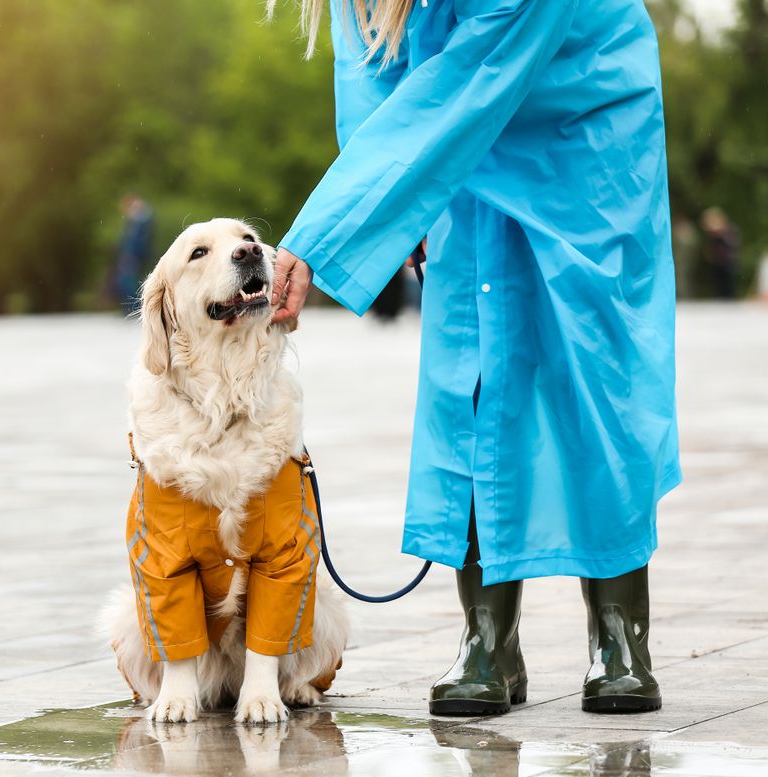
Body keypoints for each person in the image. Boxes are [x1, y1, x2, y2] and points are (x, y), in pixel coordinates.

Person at [268, 0, 679, 715]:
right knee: (472, 369)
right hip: (462, 135)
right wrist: (405, 215)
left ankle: (620, 635)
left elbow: (479, 70)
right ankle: (488, 638)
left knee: (597, 374)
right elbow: (370, 78)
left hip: (587, 121)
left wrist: (327, 229)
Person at [106, 194, 155, 314]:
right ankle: (133, 307)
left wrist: (129, 255)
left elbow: (134, 241)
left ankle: (133, 308)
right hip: (135, 255)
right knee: (129, 280)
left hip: (133, 255)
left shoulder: (140, 219)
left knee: (127, 281)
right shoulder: (141, 219)